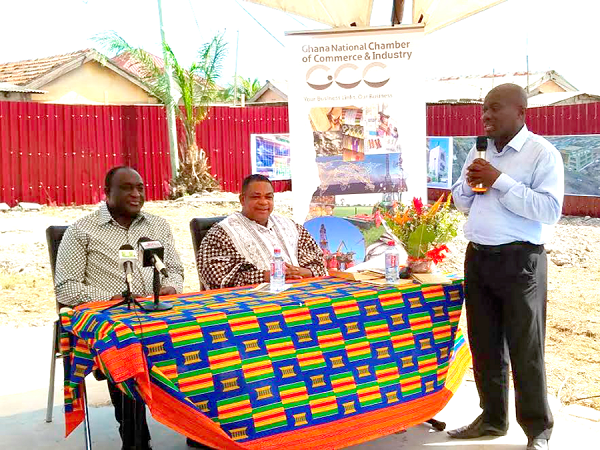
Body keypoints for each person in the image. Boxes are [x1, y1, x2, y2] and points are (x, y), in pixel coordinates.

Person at [449, 84, 564, 450]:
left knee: (525, 347)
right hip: (478, 257)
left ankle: (538, 430)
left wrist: (500, 180)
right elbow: (460, 202)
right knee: (484, 344)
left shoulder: (541, 154)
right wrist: (469, 183)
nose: (486, 116)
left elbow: (549, 210)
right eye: (483, 109)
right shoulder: (478, 150)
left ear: (520, 112)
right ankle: (492, 419)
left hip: (520, 262)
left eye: (494, 109)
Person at [55, 166, 184, 450]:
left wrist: (170, 287)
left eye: (140, 187)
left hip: (157, 312)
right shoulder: (81, 231)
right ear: (107, 193)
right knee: (125, 345)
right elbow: (66, 287)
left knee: (204, 335)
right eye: (127, 188)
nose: (136, 194)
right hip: (109, 320)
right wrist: (114, 297)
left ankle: (200, 429)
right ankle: (135, 440)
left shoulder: (158, 226)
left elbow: (174, 270)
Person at [197, 174, 327, 290]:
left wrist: (304, 272)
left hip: (300, 294)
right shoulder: (222, 233)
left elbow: (318, 262)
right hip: (250, 305)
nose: (264, 202)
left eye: (268, 197)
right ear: (242, 200)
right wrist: (268, 276)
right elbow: (216, 278)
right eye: (256, 197)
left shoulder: (291, 226)